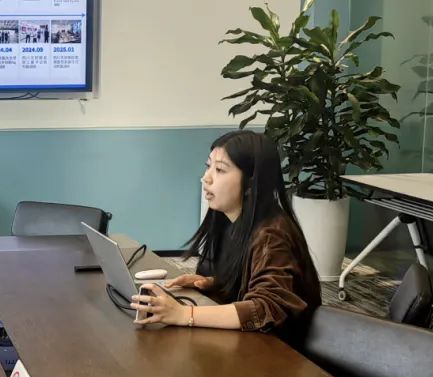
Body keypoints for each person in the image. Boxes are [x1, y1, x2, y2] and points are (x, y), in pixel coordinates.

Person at [131, 131, 321, 337]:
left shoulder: (271, 235)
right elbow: (251, 282)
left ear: (251, 183)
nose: (206, 178)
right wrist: (215, 284)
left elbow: (267, 308)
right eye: (208, 166)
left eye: (220, 170)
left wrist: (184, 314)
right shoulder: (233, 221)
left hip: (278, 350)